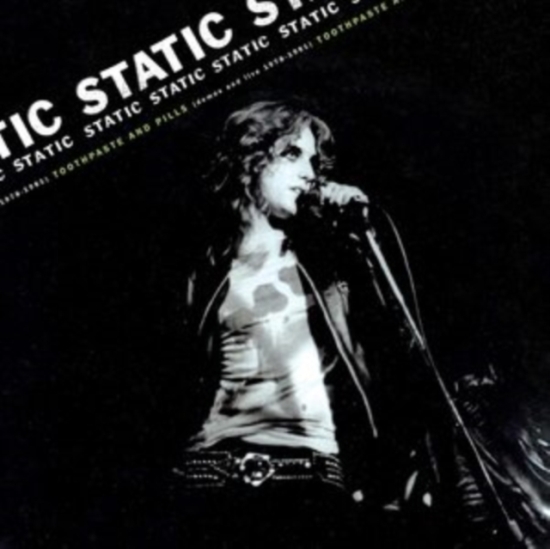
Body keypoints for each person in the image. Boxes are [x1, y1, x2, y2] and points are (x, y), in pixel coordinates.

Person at [156, 99, 446, 548]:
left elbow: (397, 359)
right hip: (213, 478)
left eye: (313, 159)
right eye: (292, 154)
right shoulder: (201, 268)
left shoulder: (332, 261)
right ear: (250, 160)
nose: (310, 172)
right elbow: (165, 382)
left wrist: (357, 230)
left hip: (314, 480)